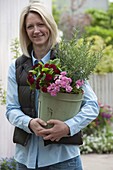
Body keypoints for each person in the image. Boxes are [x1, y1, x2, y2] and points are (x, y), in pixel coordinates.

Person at [6, 2, 99, 170]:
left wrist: (67, 127)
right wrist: (29, 123)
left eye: (41, 24)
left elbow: (92, 106)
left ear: (49, 25)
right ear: (24, 31)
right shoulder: (17, 67)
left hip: (63, 160)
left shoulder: (69, 63)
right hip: (25, 161)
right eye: (30, 26)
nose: (36, 30)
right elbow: (11, 109)